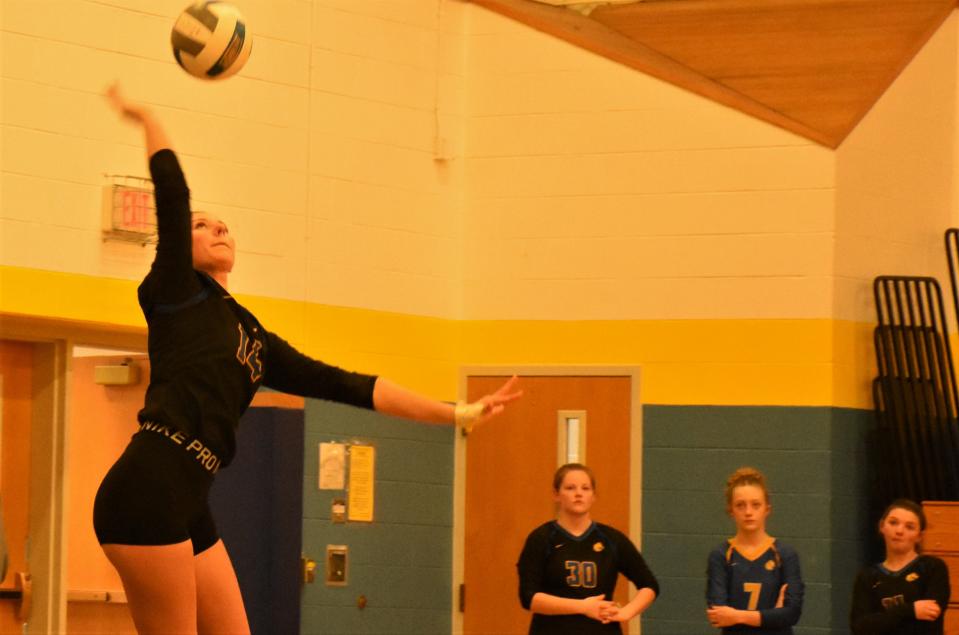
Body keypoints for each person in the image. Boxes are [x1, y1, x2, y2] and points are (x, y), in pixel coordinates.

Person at [95, 84, 523, 635]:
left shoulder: (252, 336)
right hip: (148, 484)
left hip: (192, 490)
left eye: (224, 224)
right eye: (203, 226)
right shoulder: (175, 292)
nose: (217, 228)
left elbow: (351, 385)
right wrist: (148, 117)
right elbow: (173, 196)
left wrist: (457, 414)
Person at [516, 463, 659, 634]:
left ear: (593, 495)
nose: (578, 494)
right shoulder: (541, 538)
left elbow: (649, 585)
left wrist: (625, 613)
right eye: (570, 488)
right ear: (556, 494)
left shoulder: (611, 539)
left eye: (585, 488)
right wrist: (583, 607)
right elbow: (529, 598)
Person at [706, 467, 804, 633]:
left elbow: (791, 614)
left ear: (767, 509)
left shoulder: (785, 554)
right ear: (731, 511)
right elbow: (718, 615)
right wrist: (772, 616)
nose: (748, 512)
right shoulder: (721, 555)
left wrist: (736, 616)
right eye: (740, 505)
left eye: (756, 505)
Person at [850, 499, 950, 634]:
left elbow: (928, 624)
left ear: (919, 536)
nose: (899, 531)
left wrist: (882, 620)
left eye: (909, 527)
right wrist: (911, 610)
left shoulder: (932, 568)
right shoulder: (867, 577)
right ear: (882, 526)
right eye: (893, 522)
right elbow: (860, 627)